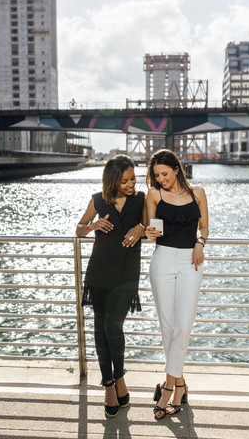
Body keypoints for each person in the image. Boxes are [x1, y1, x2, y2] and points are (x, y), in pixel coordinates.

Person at [76, 155, 146, 418]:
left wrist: (140, 227)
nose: (130, 184)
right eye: (124, 181)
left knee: (112, 326)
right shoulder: (97, 200)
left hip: (126, 275)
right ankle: (109, 384)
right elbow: (79, 229)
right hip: (99, 273)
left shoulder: (141, 199)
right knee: (100, 328)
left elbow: (154, 225)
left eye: (133, 179)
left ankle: (119, 377)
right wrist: (92, 225)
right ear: (112, 180)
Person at [145, 149, 209, 420]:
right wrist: (149, 232)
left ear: (176, 169)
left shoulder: (198, 193)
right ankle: (179, 384)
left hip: (190, 261)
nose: (161, 179)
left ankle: (168, 388)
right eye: (156, 175)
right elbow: (150, 230)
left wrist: (200, 243)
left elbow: (204, 227)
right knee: (169, 327)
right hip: (163, 259)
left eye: (165, 173)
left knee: (183, 326)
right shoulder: (153, 194)